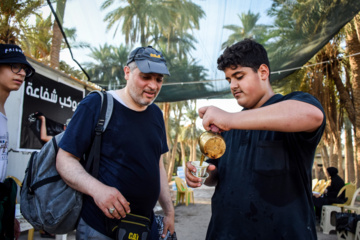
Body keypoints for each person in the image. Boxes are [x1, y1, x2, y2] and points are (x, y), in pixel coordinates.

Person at [185, 39, 326, 239]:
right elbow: (217, 175)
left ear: (263, 72)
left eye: (239, 76)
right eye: (228, 80)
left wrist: (229, 118)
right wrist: (201, 174)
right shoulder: (230, 128)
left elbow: (313, 116)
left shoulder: (292, 105)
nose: (233, 86)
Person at [56, 46, 175, 239]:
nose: (153, 86)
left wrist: (169, 212)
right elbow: (65, 159)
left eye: (159, 79)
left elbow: (158, 165)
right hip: (99, 228)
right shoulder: (96, 104)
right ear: (127, 72)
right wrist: (98, 190)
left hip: (145, 226)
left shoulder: (156, 115)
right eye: (146, 77)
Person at [0, 44, 35, 239]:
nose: (21, 73)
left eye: (24, 69)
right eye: (14, 66)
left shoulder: (3, 112)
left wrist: (7, 216)